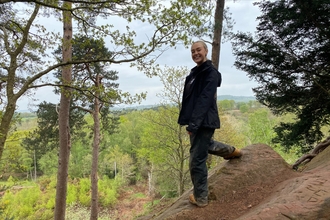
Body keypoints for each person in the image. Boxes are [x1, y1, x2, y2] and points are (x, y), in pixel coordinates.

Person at [177, 40, 242, 207]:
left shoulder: (210, 73)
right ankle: (231, 151)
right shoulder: (194, 73)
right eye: (192, 51)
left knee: (196, 160)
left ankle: (201, 198)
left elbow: (204, 101)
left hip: (203, 121)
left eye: (198, 50)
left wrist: (193, 125)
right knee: (205, 146)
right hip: (196, 121)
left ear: (205, 51)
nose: (195, 53)